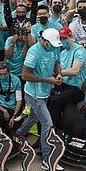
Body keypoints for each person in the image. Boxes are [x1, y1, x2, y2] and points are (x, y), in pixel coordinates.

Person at [16, 28, 64, 163]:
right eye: (50, 43)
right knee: (47, 124)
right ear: (44, 40)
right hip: (34, 93)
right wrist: (47, 80)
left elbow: (57, 63)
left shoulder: (55, 47)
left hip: (45, 91)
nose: (53, 46)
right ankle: (46, 156)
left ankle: (18, 134)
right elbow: (25, 75)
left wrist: (59, 74)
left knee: (33, 117)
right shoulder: (34, 52)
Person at [48, 27, 86, 126]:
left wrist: (57, 73)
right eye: (60, 39)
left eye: (64, 38)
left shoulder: (79, 50)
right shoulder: (63, 52)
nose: (62, 41)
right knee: (48, 97)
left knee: (56, 101)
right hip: (64, 84)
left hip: (77, 87)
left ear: (71, 37)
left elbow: (75, 71)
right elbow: (60, 70)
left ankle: (53, 127)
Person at [0, 60, 23, 127]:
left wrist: (14, 116)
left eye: (5, 74)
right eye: (0, 74)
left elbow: (19, 100)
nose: (3, 77)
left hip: (13, 108)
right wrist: (4, 110)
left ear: (9, 72)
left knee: (17, 127)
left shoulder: (16, 80)